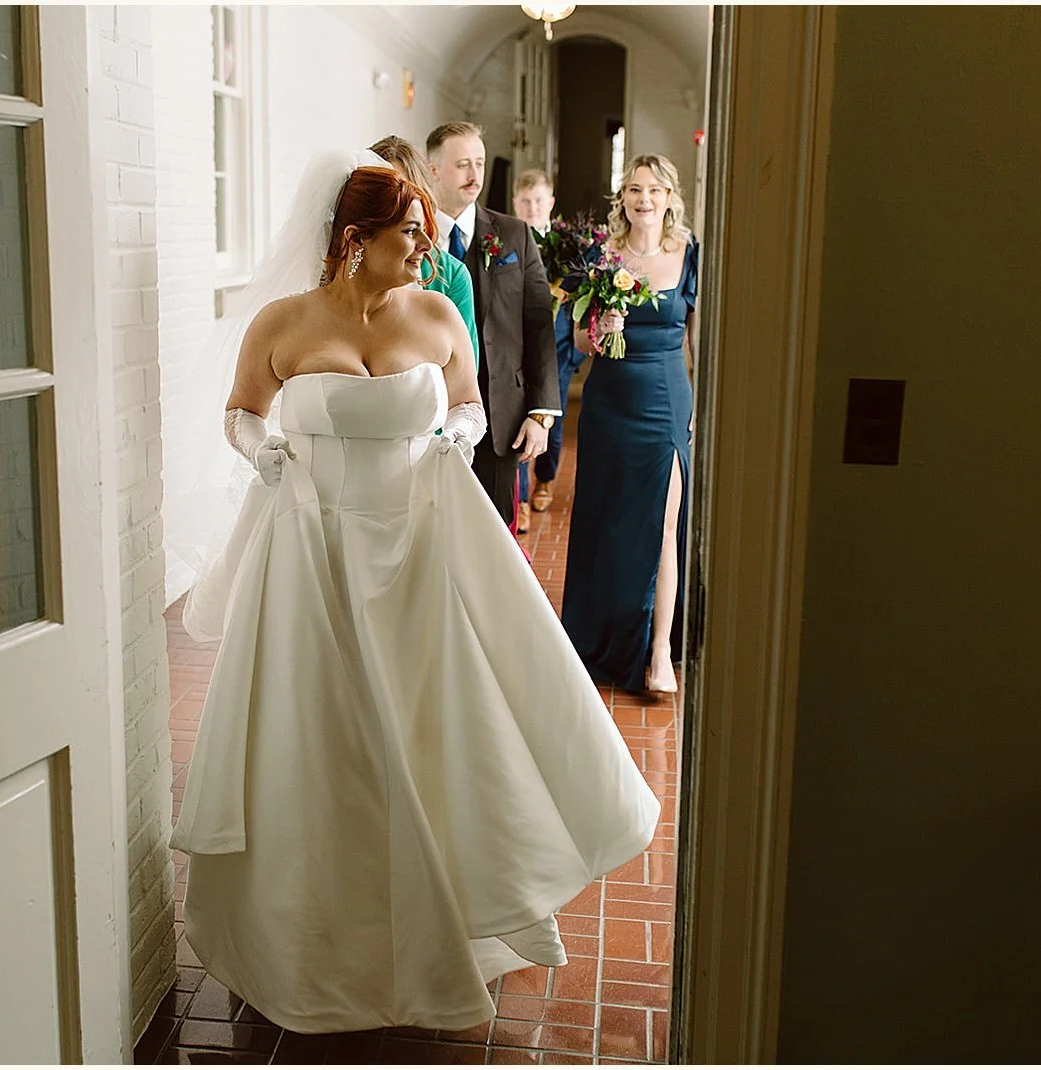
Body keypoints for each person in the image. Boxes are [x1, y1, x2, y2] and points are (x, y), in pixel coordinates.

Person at [172, 151, 660, 1034]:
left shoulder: (436, 312)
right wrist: (261, 451)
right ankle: (312, 940)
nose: (426, 254)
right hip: (313, 551)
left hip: (416, 547)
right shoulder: (281, 323)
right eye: (409, 238)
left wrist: (456, 435)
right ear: (354, 242)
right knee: (325, 736)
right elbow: (242, 412)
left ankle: (456, 913)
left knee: (431, 725)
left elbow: (469, 403)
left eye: (428, 236)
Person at [561, 154, 699, 695]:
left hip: (666, 401)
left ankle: (659, 648)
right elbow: (576, 343)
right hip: (609, 403)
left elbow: (700, 339)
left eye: (655, 190)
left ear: (670, 198)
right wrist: (601, 324)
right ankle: (606, 636)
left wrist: (701, 413)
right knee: (608, 523)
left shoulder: (690, 255)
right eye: (635, 190)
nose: (644, 199)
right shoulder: (600, 257)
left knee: (663, 526)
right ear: (624, 199)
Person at [424, 121, 560, 530]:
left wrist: (540, 414)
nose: (475, 175)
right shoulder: (416, 237)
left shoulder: (513, 234)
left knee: (495, 536)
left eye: (479, 163)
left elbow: (538, 323)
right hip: (429, 412)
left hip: (502, 415)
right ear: (433, 171)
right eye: (463, 164)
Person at [369, 135, 479, 369]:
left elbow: (466, 376)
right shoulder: (340, 269)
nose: (398, 206)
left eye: (407, 192)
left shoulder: (451, 275)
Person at [511, 170, 585, 516]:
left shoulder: (569, 246)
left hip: (557, 348)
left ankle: (545, 480)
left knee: (550, 421)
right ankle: (520, 497)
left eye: (539, 201)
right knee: (515, 421)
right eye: (525, 201)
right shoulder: (506, 239)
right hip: (516, 348)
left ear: (551, 203)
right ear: (516, 203)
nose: (532, 208)